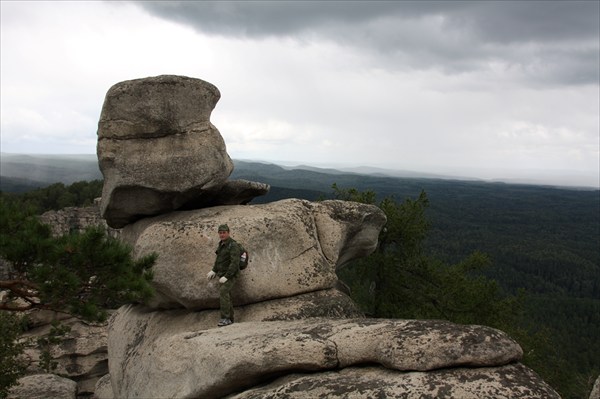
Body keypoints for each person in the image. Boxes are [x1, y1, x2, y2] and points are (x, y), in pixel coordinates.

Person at [206, 224, 242, 327]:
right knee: (227, 296)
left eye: (224, 232)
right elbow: (219, 260)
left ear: (228, 233)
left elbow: (234, 263)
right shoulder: (221, 244)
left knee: (223, 292)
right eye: (220, 233)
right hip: (222, 274)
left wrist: (227, 276)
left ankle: (225, 318)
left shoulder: (233, 245)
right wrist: (214, 270)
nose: (222, 235)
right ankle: (230, 319)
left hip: (231, 275)